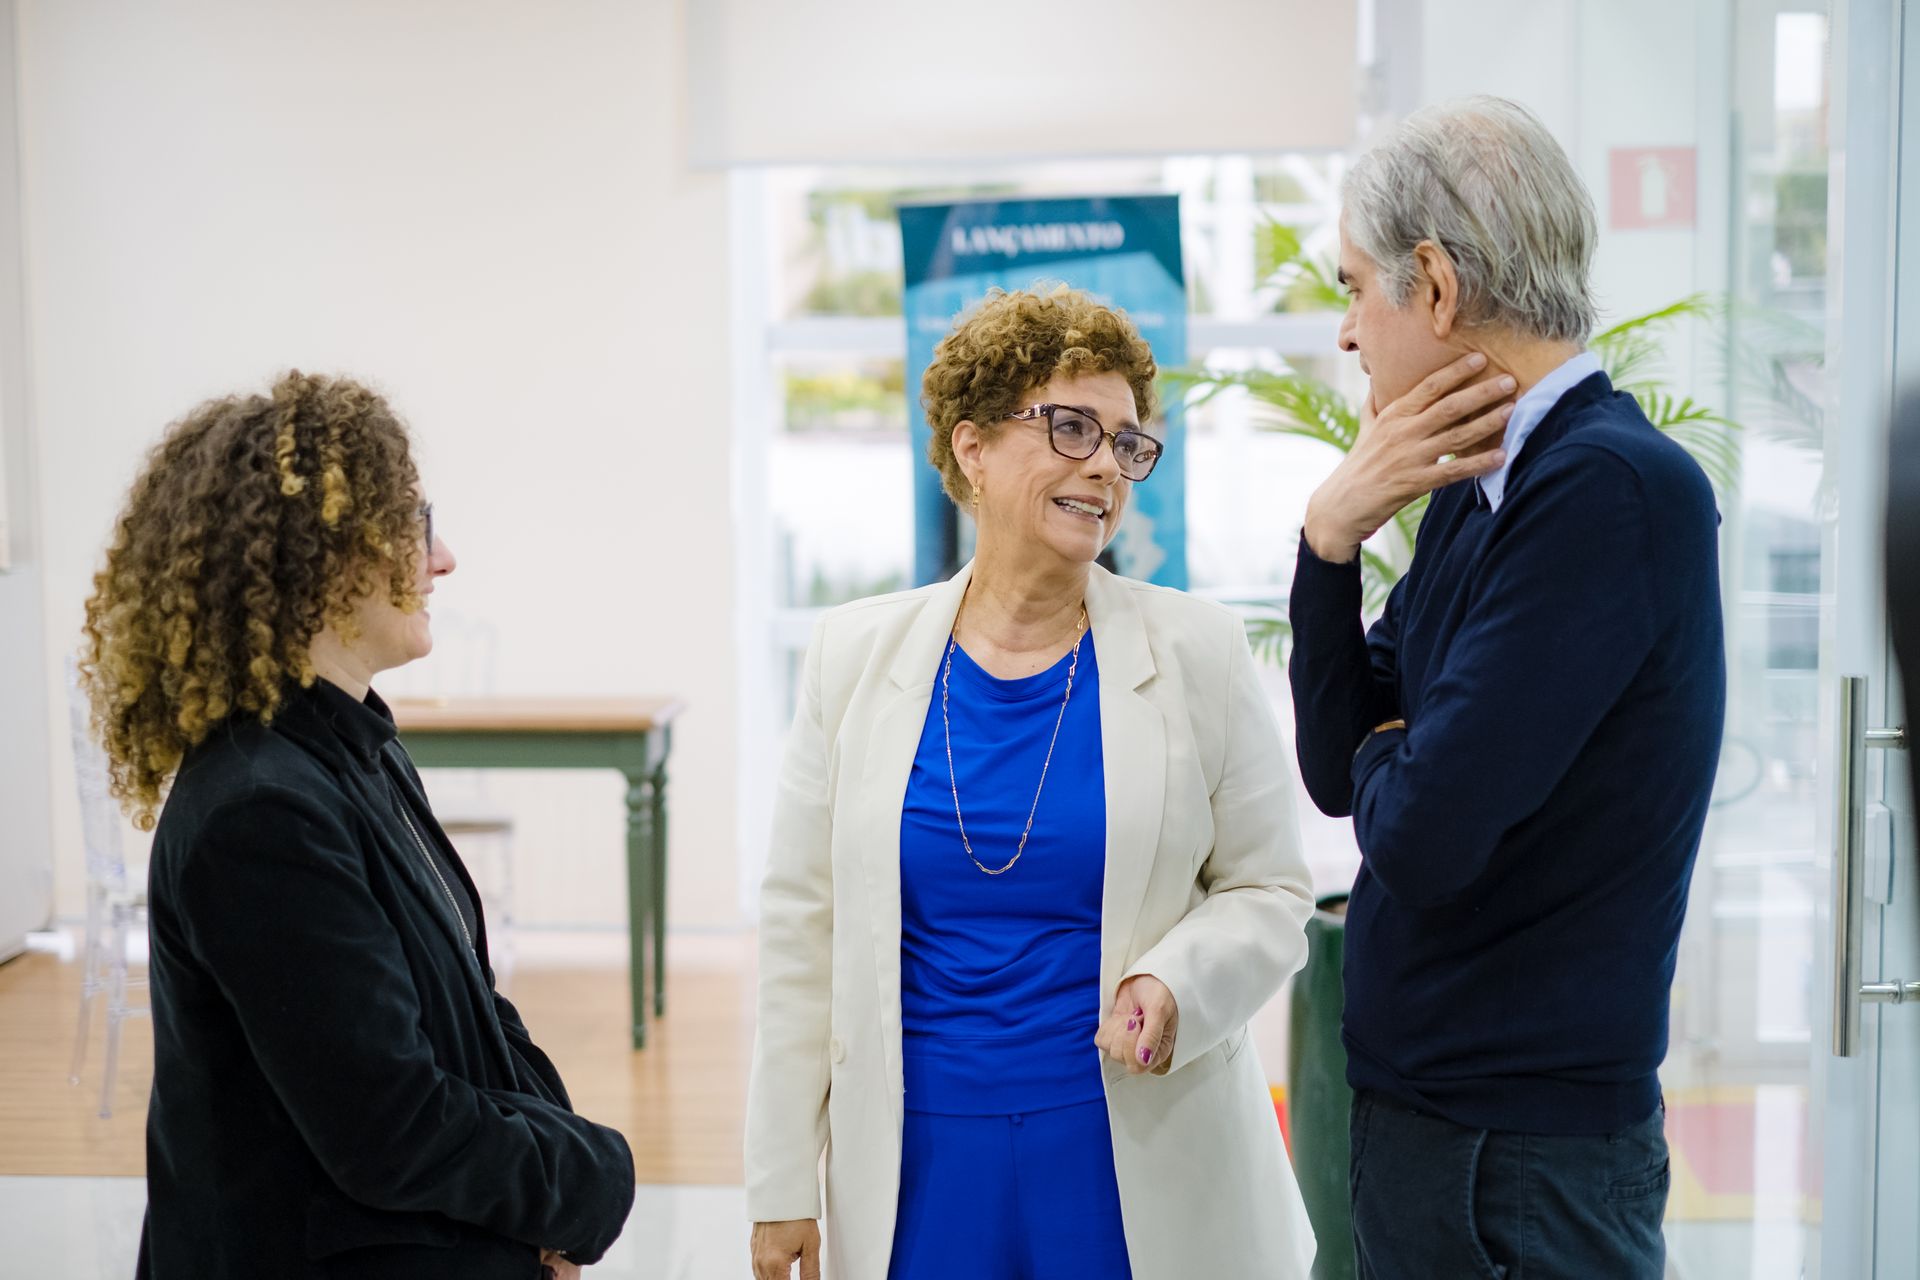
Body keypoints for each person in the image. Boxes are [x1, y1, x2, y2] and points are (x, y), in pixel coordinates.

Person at [745, 286, 1317, 1280]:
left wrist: (1177, 982)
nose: (1104, 463)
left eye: (1127, 442)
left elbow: (1272, 889)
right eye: (1070, 427)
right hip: (920, 1155)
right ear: (971, 447)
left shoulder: (1199, 650)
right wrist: (782, 1178)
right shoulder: (852, 656)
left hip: (1129, 1146)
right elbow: (804, 925)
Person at [1288, 96, 1724, 1279]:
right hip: (1450, 1130)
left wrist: (1395, 749)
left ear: (1430, 284)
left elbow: (1422, 833)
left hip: (1518, 1158)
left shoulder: (1606, 490)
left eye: (1352, 285)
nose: (1344, 333)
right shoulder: (1477, 487)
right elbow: (1340, 771)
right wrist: (1330, 538)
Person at [82, 371, 636, 1280]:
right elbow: (390, 1127)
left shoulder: (352, 746)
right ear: (325, 557)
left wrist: (554, 1187)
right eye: (415, 525)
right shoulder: (260, 812)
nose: (444, 558)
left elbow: (471, 1008)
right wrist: (589, 1179)